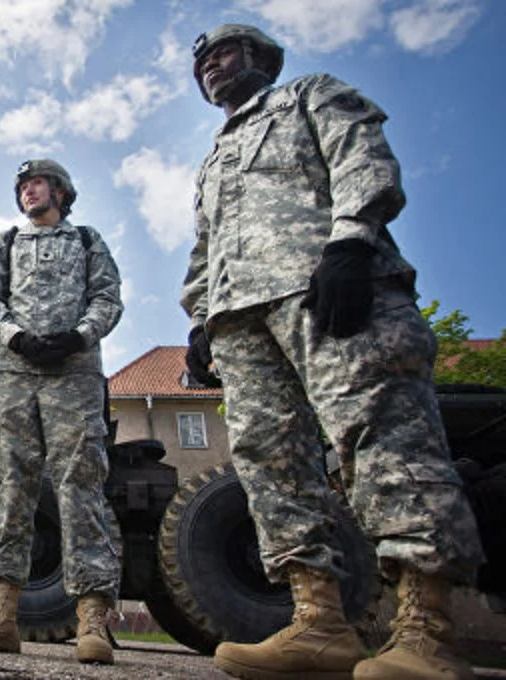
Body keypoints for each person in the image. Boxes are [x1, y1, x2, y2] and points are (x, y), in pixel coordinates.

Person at [182, 23, 484, 680]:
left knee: (381, 434)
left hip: (326, 289)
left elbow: (361, 155)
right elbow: (204, 249)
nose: (211, 65)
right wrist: (202, 319)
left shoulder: (309, 96)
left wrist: (350, 241)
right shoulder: (211, 162)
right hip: (243, 320)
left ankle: (428, 630)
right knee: (269, 463)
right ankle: (319, 624)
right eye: (202, 61)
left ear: (262, 59)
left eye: (226, 52)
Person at [0, 159, 124, 664]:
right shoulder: (7, 243)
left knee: (81, 485)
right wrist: (17, 338)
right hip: (14, 374)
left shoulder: (87, 240)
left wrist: (79, 336)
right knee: (10, 486)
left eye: (37, 183)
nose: (29, 191)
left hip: (74, 375)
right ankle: (1, 615)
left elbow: (108, 297)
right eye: (23, 186)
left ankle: (92, 620)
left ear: (60, 191)